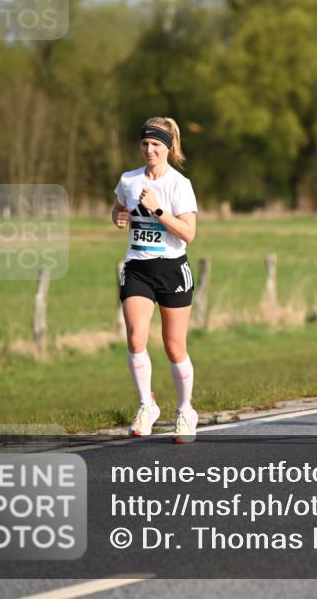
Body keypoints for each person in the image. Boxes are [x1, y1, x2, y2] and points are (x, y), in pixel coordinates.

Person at [112, 117, 199, 442]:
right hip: (138, 267)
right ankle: (146, 404)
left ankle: (186, 411)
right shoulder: (129, 179)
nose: (149, 150)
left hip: (172, 270)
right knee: (136, 338)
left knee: (174, 347)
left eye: (156, 145)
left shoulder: (179, 185)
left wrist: (159, 210)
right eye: (145, 143)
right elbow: (118, 208)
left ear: (168, 148)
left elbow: (189, 233)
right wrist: (118, 216)